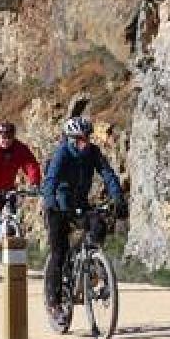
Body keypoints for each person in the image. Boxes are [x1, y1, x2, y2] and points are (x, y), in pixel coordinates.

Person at [40, 116, 126, 323]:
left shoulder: (93, 152)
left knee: (98, 224)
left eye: (86, 138)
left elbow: (108, 174)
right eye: (79, 139)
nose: (84, 143)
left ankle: (92, 263)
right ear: (70, 139)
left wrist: (118, 198)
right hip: (58, 206)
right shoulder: (62, 153)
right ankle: (55, 303)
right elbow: (50, 180)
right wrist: (50, 201)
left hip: (79, 203)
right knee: (58, 253)